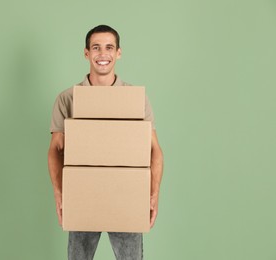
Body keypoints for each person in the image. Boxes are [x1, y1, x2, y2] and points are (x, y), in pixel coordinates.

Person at [48, 25, 164, 260]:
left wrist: (153, 194)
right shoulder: (67, 99)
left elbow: (155, 151)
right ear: (86, 53)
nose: (103, 54)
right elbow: (55, 150)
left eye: (109, 47)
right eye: (96, 47)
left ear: (118, 53)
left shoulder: (134, 98)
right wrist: (60, 192)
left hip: (126, 194)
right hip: (82, 194)